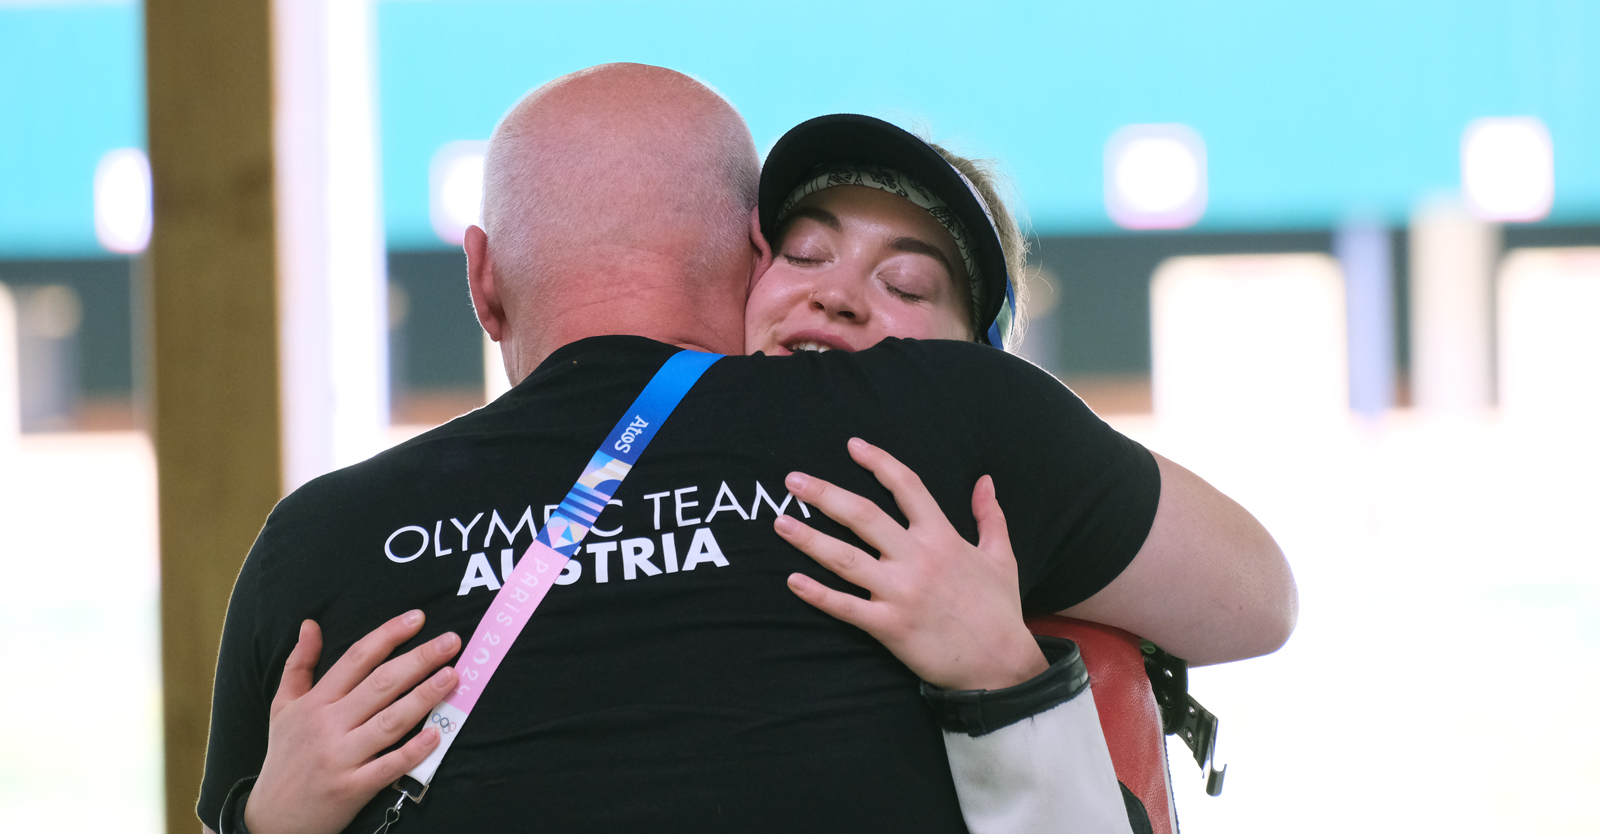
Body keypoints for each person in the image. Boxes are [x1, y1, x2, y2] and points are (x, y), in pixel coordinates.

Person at [200, 64, 1292, 834]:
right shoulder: (952, 421)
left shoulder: (314, 543)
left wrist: (1004, 677)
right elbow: (1252, 601)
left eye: (910, 288)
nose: (840, 300)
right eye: (808, 252)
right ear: (747, 258)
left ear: (481, 279)